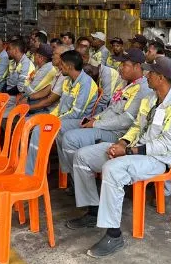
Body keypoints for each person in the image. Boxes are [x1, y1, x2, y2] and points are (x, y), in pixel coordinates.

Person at [67, 56, 171, 257]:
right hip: (133, 149)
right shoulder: (150, 99)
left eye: (150, 73)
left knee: (112, 170)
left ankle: (114, 236)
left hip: (157, 160)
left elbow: (166, 144)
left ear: (160, 78)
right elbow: (136, 127)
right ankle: (92, 211)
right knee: (82, 156)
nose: (146, 75)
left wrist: (130, 151)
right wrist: (122, 143)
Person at [60, 48, 152, 177]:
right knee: (60, 127)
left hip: (116, 133)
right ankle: (73, 175)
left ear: (137, 67)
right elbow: (110, 108)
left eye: (124, 65)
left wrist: (96, 124)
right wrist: (95, 119)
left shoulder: (142, 89)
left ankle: (76, 178)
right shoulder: (124, 83)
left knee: (70, 138)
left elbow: (126, 121)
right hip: (104, 124)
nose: (120, 68)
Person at [26, 50, 98, 176]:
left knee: (40, 129)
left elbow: (77, 113)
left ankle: (31, 173)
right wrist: (49, 117)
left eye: (62, 65)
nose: (60, 67)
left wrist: (53, 120)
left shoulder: (86, 84)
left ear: (69, 67)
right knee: (36, 124)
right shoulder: (68, 80)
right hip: (65, 119)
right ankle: (33, 169)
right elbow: (60, 107)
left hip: (80, 122)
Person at [27, 45, 68, 115]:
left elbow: (49, 101)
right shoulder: (59, 70)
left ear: (62, 57)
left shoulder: (64, 76)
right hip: (47, 106)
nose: (52, 57)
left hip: (51, 111)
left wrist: (28, 107)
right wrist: (28, 98)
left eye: (54, 54)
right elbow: (46, 90)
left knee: (25, 120)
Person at [3, 37, 35, 103]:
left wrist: (6, 93)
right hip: (9, 93)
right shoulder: (13, 62)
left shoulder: (26, 64)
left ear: (16, 50)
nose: (7, 51)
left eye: (9, 49)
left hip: (17, 97)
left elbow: (21, 88)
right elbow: (8, 79)